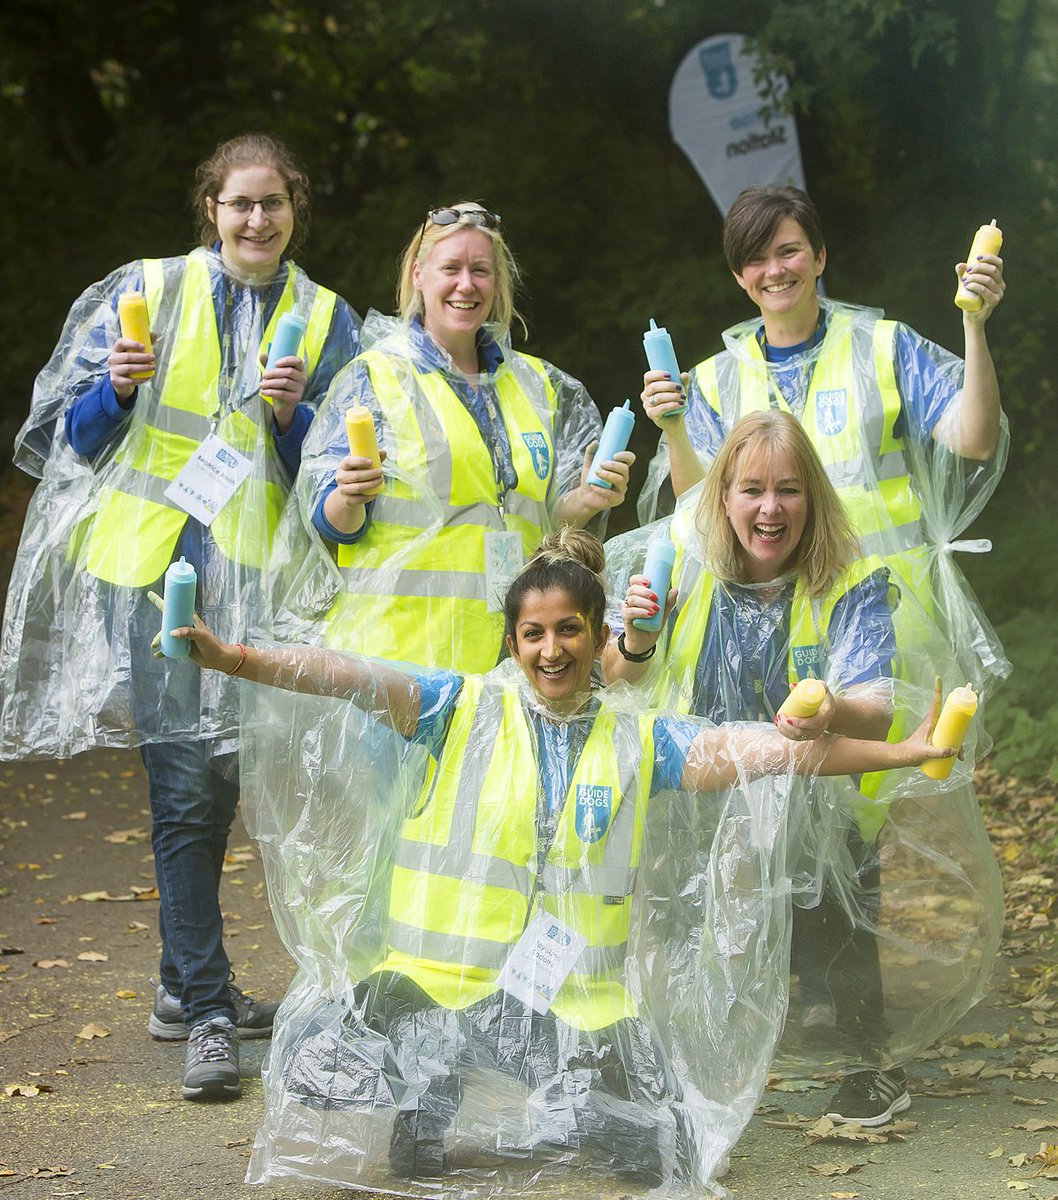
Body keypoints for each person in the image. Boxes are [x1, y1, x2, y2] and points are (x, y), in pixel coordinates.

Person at [165, 527, 951, 1190]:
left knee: (661, 1155)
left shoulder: (644, 741)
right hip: (438, 990)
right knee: (392, 1098)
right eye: (533, 634)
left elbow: (773, 753)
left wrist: (903, 750)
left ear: (599, 635)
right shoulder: (457, 707)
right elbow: (342, 674)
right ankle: (427, 1095)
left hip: (575, 1003)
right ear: (511, 642)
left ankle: (569, 1093)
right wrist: (233, 657)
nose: (551, 650)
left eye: (570, 629)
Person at [0, 132, 361, 1101]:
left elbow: (349, 477)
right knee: (185, 783)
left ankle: (179, 978)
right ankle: (205, 1007)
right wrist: (116, 387)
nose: (255, 220)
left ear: (295, 212)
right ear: (210, 208)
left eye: (272, 204)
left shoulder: (326, 320)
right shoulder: (148, 289)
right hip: (154, 571)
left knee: (232, 774)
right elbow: (66, 438)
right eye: (238, 203)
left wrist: (293, 420)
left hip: (266, 583)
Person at [603, 411, 1002, 1127]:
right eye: (751, 489)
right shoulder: (677, 567)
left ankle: (866, 1062)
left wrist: (829, 712)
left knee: (831, 916)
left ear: (812, 499)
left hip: (817, 789)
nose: (769, 508)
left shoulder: (852, 581)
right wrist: (635, 638)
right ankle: (684, 1060)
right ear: (721, 496)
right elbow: (607, 681)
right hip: (699, 785)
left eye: (788, 490)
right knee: (685, 923)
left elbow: (876, 708)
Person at [637, 185, 1009, 688]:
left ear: (819, 257)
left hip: (899, 615)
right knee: (794, 762)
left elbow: (977, 439)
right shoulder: (714, 380)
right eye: (756, 259)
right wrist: (674, 430)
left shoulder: (882, 348)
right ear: (739, 276)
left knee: (899, 763)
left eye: (788, 251)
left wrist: (975, 326)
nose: (774, 271)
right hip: (770, 632)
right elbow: (697, 507)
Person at [271, 202, 634, 672]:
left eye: (480, 270)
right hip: (399, 660)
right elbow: (325, 528)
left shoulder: (540, 387)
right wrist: (348, 495)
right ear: (419, 275)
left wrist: (585, 501)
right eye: (451, 269)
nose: (467, 284)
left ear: (497, 282)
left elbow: (541, 522)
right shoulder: (374, 379)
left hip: (509, 660)